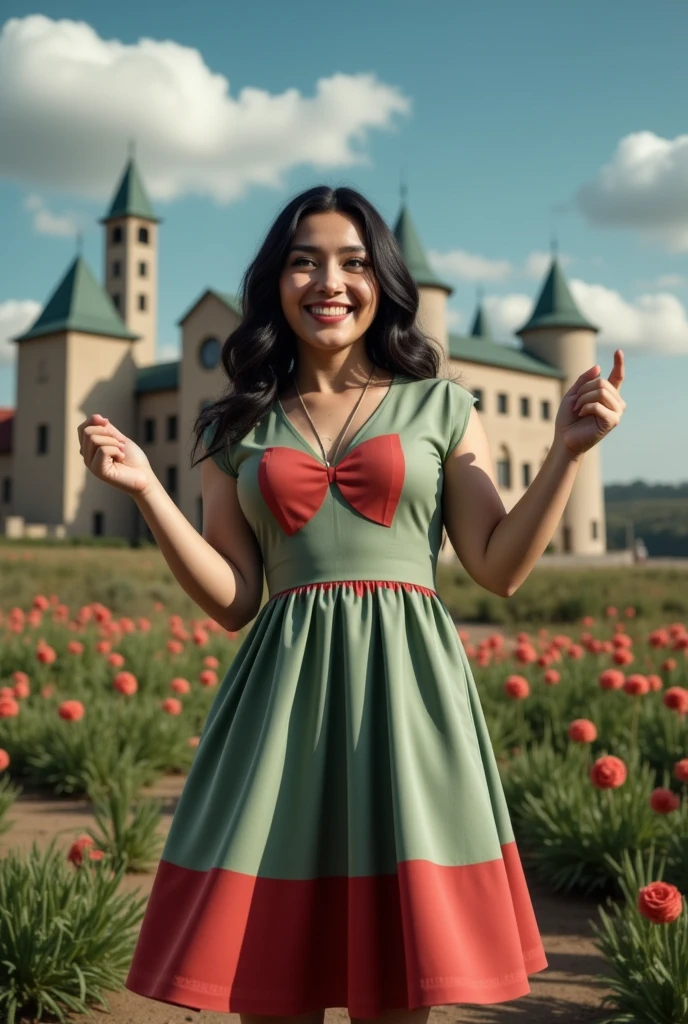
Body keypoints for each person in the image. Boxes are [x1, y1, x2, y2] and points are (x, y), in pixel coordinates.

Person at [77, 184, 626, 1024]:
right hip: (281, 706)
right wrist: (148, 488)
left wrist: (567, 455)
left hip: (409, 704)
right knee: (273, 982)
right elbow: (234, 598)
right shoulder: (237, 426)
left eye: (353, 262)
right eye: (304, 261)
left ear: (384, 282)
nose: (328, 281)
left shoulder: (442, 404)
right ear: (276, 283)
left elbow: (499, 567)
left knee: (398, 983)